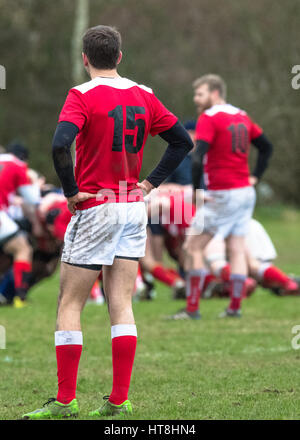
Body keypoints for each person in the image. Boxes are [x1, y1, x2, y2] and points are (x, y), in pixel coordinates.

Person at [22, 25, 193, 419]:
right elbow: (182, 141)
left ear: (85, 59)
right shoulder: (144, 95)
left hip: (97, 205)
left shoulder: (81, 95)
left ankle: (66, 402)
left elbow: (59, 144)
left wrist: (69, 190)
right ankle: (119, 399)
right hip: (132, 206)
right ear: (119, 56)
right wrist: (149, 184)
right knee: (121, 303)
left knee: (69, 303)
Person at [172, 74, 273, 320]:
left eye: (200, 94)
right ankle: (234, 307)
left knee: (193, 246)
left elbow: (197, 157)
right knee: (236, 248)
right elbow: (266, 147)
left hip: (222, 194)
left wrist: (197, 192)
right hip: (245, 193)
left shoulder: (209, 117)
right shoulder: (241, 115)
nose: (196, 99)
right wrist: (255, 177)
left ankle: (192, 309)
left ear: (215, 93)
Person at [0, 147, 40, 307]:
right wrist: (36, 184)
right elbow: (32, 198)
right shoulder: (18, 165)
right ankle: (20, 297)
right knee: (23, 249)